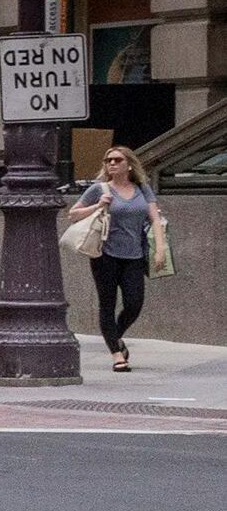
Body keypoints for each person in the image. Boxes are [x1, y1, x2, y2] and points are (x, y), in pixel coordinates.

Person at [70, 145, 169, 371]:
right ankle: (117, 354)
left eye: (117, 160)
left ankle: (115, 337)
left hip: (134, 255)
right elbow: (73, 214)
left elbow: (155, 219)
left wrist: (160, 248)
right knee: (107, 304)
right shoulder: (99, 189)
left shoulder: (142, 189)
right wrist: (98, 205)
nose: (112, 164)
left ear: (129, 164)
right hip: (105, 255)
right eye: (108, 161)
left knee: (134, 303)